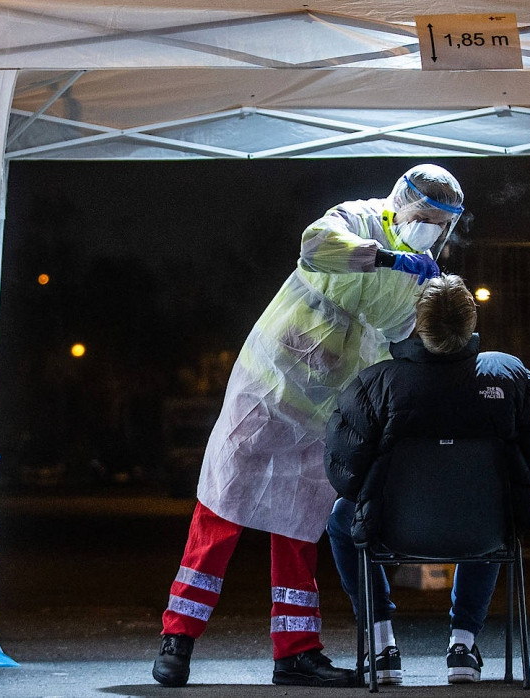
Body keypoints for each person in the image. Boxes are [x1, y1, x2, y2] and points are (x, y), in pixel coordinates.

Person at [153, 165, 466, 688]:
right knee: (221, 510)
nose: (428, 227)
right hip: (268, 387)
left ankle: (296, 651)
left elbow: (402, 336)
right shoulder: (358, 219)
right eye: (423, 214)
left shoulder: (422, 272)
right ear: (400, 200)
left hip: (325, 412)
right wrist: (387, 258)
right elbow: (315, 245)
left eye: (440, 222)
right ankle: (177, 638)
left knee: (299, 525)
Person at [323, 274, 530, 685]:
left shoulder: (377, 383)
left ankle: (382, 646)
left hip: (395, 530)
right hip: (483, 530)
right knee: (497, 504)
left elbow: (343, 469)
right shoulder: (509, 376)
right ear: (470, 321)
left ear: (419, 322)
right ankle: (463, 645)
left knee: (341, 519)